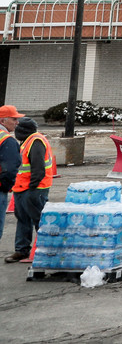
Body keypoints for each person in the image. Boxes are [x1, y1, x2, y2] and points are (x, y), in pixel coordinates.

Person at [6, 117, 55, 263]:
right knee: (23, 219)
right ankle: (21, 251)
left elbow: (38, 168)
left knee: (38, 220)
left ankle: (43, 252)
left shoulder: (35, 141)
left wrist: (32, 186)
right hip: (22, 188)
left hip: (34, 189)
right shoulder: (27, 141)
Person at [0, 107, 21, 257]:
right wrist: (6, 187)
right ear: (3, 120)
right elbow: (9, 169)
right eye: (14, 119)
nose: (17, 122)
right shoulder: (7, 140)